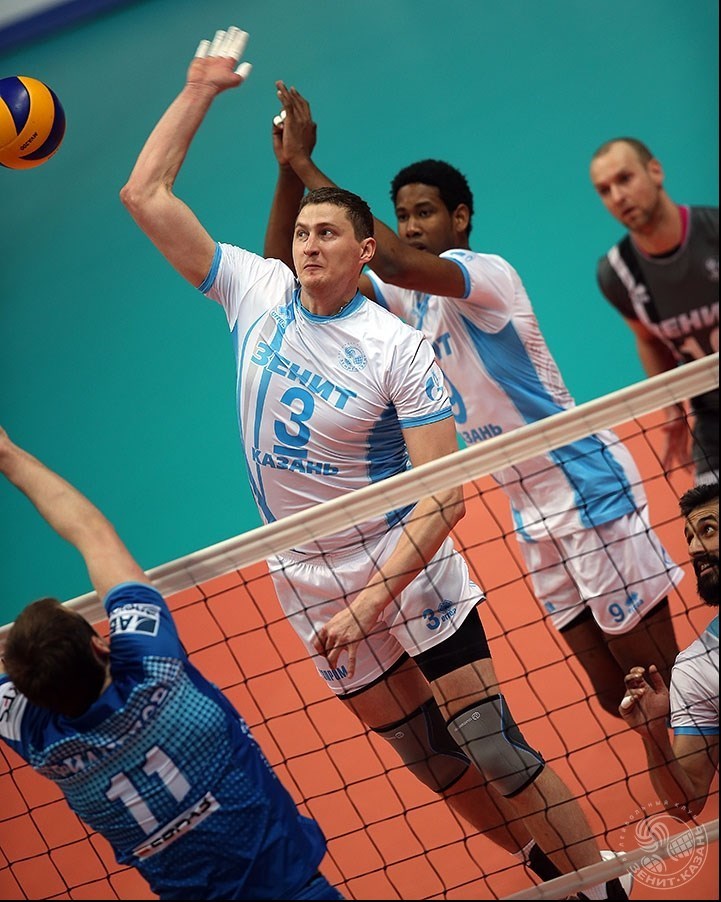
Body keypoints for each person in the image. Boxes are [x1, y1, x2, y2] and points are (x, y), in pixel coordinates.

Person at [120, 25, 632, 899]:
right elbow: (145, 193)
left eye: (328, 233)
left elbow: (444, 501)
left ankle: (604, 885)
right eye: (301, 231)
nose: (308, 243)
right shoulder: (255, 292)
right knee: (432, 762)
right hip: (304, 579)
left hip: (406, 568)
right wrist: (200, 89)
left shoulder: (396, 348)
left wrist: (369, 604)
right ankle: (548, 868)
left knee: (494, 746)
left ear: (362, 253)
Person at [264, 82, 684, 722]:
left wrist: (305, 162)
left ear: (459, 218)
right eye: (402, 215)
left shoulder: (485, 275)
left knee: (663, 682)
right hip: (529, 509)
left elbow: (396, 263)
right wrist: (286, 174)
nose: (411, 226)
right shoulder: (406, 302)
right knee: (616, 697)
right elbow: (289, 275)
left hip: (587, 486)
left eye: (425, 212)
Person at [0, 427, 342, 901]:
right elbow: (92, 534)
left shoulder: (37, 741)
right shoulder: (154, 671)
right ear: (102, 646)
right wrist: (7, 454)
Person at [589, 137, 719, 485]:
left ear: (655, 171)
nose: (618, 196)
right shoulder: (617, 274)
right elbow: (648, 340)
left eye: (625, 179)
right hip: (712, 422)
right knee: (706, 514)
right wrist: (672, 410)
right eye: (604, 190)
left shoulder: (714, 231)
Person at [620, 481, 719, 819]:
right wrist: (654, 737)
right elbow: (686, 805)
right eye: (689, 537)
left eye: (708, 530)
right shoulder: (697, 668)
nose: (693, 549)